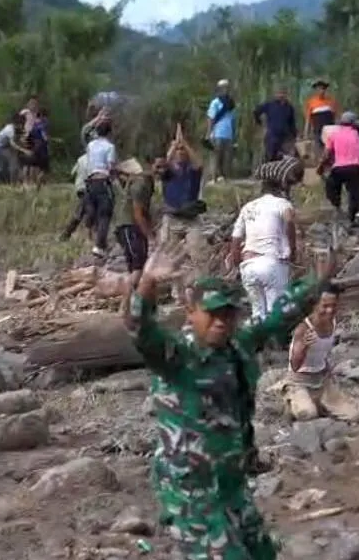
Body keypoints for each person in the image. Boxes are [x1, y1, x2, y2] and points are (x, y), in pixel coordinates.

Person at [128, 244, 338, 560]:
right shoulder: (176, 356)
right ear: (190, 311)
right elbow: (140, 330)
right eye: (212, 313)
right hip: (193, 493)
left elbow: (277, 318)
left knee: (263, 554)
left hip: (231, 483)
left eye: (228, 314)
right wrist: (146, 284)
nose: (221, 321)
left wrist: (317, 282)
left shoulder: (236, 345)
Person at [228, 175, 297, 322]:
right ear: (280, 189)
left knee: (257, 314)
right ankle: (273, 344)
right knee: (276, 313)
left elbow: (236, 238)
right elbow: (289, 220)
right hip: (271, 263)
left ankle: (258, 343)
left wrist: (236, 261)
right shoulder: (282, 203)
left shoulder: (248, 207)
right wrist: (293, 248)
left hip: (248, 265)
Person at [158, 126, 206, 303]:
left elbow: (199, 163)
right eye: (177, 150)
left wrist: (184, 144)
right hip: (172, 219)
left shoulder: (192, 171)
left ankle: (197, 290)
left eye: (182, 150)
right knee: (171, 257)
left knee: (198, 255)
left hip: (191, 219)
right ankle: (177, 294)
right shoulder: (168, 172)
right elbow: (163, 163)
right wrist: (174, 145)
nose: (180, 152)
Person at [284, 283, 341, 421]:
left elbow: (323, 352)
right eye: (325, 306)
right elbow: (295, 365)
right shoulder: (303, 329)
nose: (329, 310)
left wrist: (329, 372)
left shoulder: (332, 322)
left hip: (320, 379)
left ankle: (318, 401)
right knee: (308, 414)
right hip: (300, 381)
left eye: (333, 306)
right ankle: (291, 399)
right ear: (315, 306)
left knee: (353, 414)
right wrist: (304, 345)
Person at [113, 158, 156, 311]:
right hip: (130, 227)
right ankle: (124, 306)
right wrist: (151, 237)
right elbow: (138, 214)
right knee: (138, 268)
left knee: (137, 268)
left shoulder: (139, 183)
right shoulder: (141, 185)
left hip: (127, 227)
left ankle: (140, 305)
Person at [320, 111, 359, 228]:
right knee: (355, 194)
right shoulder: (357, 134)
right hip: (355, 168)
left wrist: (321, 166)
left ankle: (337, 206)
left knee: (331, 187)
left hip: (338, 168)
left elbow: (326, 154)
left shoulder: (334, 135)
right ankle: (351, 218)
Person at [83, 119, 118, 257]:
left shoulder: (91, 145)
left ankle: (94, 239)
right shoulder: (110, 147)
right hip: (103, 181)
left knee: (93, 211)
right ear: (109, 133)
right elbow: (111, 167)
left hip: (90, 182)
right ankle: (99, 246)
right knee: (105, 214)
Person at [0, 112, 31, 194]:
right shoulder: (10, 130)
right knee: (3, 168)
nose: (22, 126)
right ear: (17, 123)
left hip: (6, 147)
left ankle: (19, 185)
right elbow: (13, 144)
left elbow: (18, 139)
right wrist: (24, 150)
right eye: (21, 124)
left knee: (14, 164)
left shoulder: (16, 129)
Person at [254, 87, 298, 163]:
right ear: (275, 94)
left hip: (285, 137)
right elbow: (256, 112)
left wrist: (294, 136)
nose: (281, 95)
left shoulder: (289, 107)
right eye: (279, 93)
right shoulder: (269, 105)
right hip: (272, 135)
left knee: (284, 159)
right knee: (270, 157)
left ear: (286, 94)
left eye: (283, 93)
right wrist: (260, 123)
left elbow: (292, 123)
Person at [205, 79, 237, 182]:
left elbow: (233, 119)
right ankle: (214, 178)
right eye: (223, 87)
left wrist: (234, 133)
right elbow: (211, 118)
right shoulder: (215, 102)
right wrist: (209, 133)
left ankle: (225, 177)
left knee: (227, 158)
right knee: (216, 157)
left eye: (227, 87)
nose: (225, 90)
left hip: (228, 134)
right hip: (217, 133)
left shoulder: (231, 104)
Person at [61, 153, 93, 241]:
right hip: (88, 187)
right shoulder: (95, 160)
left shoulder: (81, 158)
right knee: (88, 211)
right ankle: (87, 237)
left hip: (79, 187)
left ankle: (67, 234)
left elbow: (72, 172)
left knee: (82, 210)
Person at [303, 79, 338, 150]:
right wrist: (306, 134)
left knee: (330, 150)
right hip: (317, 132)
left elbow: (335, 118)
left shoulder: (331, 101)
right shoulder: (311, 102)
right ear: (315, 90)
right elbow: (308, 120)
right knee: (318, 149)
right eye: (319, 89)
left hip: (330, 132)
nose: (321, 91)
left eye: (323, 89)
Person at [23, 106, 50, 187]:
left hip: (34, 147)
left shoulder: (33, 125)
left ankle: (32, 183)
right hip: (42, 147)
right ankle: (38, 180)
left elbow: (28, 137)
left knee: (34, 166)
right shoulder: (43, 124)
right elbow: (45, 137)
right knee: (44, 168)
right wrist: (47, 140)